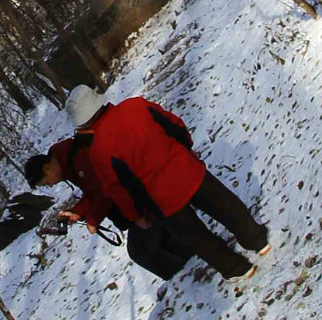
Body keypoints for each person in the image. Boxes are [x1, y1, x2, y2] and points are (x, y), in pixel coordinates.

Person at [23, 95, 268, 280]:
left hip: (162, 199)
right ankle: (257, 239)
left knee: (197, 237)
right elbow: (174, 125)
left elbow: (119, 189)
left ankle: (238, 269)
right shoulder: (136, 105)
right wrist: (185, 148)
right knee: (225, 205)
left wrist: (137, 216)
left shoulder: (99, 150)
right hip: (186, 169)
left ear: (82, 123)